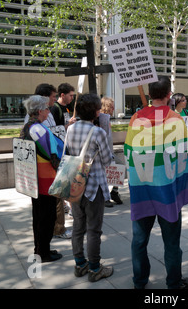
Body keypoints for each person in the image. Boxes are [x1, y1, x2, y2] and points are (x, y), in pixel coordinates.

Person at [124, 76, 188, 289]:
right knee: (172, 242)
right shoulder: (176, 119)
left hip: (142, 190)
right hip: (167, 191)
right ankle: (174, 283)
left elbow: (129, 151)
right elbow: (185, 156)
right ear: (168, 95)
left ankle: (139, 282)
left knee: (139, 240)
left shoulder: (136, 117)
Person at [65, 93, 115, 282]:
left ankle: (80, 264)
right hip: (94, 186)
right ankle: (95, 268)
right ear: (95, 111)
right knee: (94, 229)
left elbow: (67, 154)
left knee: (78, 226)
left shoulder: (70, 129)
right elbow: (106, 160)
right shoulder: (98, 132)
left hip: (75, 185)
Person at [20, 95, 64, 263]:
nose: (48, 111)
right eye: (46, 108)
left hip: (36, 178)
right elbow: (50, 154)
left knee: (40, 216)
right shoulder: (37, 129)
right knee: (46, 216)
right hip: (44, 179)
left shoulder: (29, 126)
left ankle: (41, 249)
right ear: (39, 111)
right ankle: (43, 253)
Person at [99, 97, 123, 207]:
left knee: (120, 166)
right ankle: (106, 196)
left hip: (110, 151)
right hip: (104, 152)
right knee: (106, 172)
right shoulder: (101, 119)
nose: (113, 108)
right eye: (111, 106)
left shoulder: (107, 119)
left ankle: (114, 191)